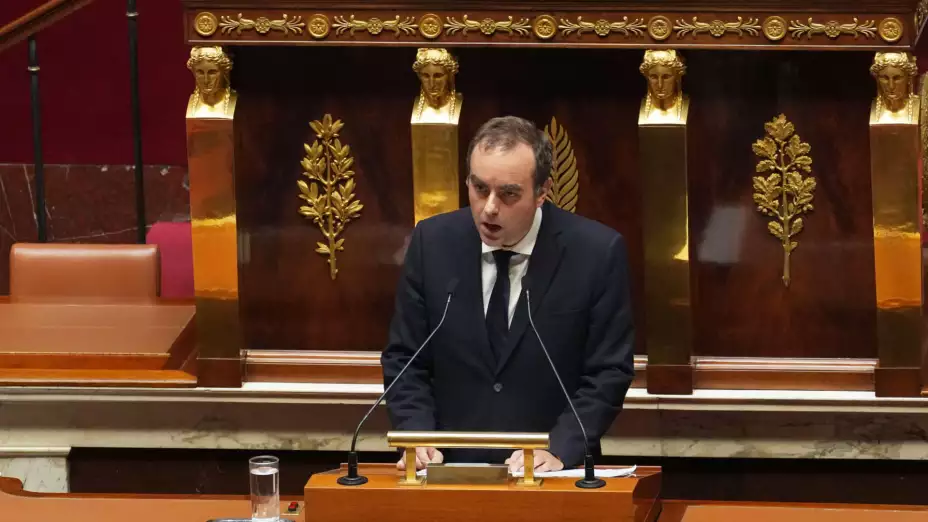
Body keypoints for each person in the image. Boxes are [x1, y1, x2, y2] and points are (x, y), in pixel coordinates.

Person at [381, 116, 635, 473]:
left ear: (543, 191)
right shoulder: (432, 243)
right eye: (480, 188)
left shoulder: (595, 253)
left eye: (509, 194)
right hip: (447, 472)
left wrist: (561, 448)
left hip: (553, 471)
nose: (489, 208)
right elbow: (405, 358)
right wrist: (417, 436)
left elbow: (609, 372)